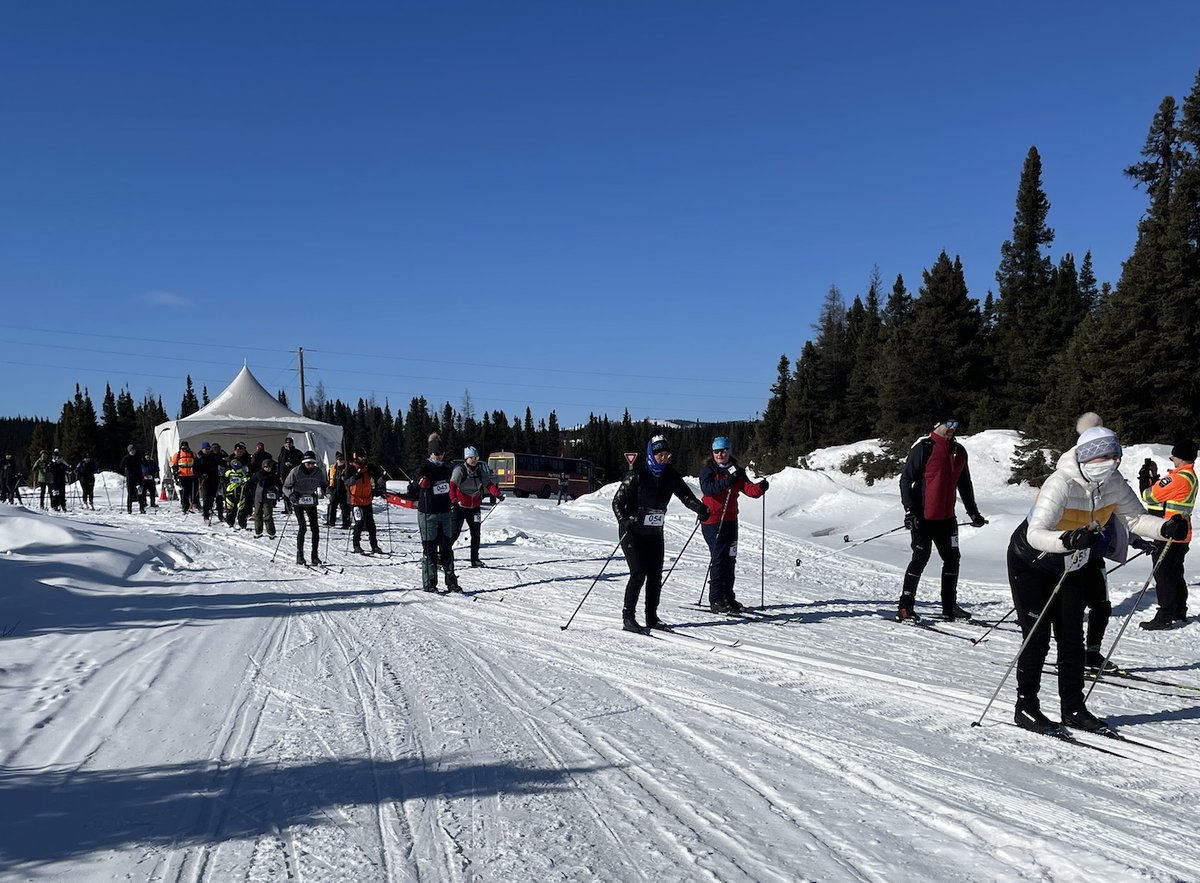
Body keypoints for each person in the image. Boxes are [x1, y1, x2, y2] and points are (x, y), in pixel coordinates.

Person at [1007, 424, 1181, 734]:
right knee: (1037, 637)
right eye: (1107, 457)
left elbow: (1135, 518)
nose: (1113, 463)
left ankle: (1073, 707)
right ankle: (1026, 707)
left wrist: (1165, 529)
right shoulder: (1060, 483)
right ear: (1088, 458)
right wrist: (1069, 539)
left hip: (1072, 564)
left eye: (1116, 457)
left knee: (1072, 639)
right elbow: (1036, 534)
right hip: (1032, 562)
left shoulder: (1113, 482)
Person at [612, 435, 712, 634]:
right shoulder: (637, 475)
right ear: (652, 455)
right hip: (632, 532)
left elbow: (685, 496)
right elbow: (617, 502)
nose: (664, 459)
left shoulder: (670, 475)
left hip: (654, 532)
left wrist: (700, 508)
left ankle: (651, 617)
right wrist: (624, 520)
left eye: (667, 455)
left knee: (656, 575)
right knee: (639, 572)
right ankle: (628, 617)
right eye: (660, 455)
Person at [897, 418, 987, 622]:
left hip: (947, 518)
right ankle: (905, 606)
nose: (953, 428)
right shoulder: (923, 448)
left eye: (956, 425)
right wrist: (910, 511)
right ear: (937, 424)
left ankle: (949, 606)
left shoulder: (959, 451)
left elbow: (964, 484)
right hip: (924, 517)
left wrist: (973, 513)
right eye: (949, 424)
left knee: (952, 559)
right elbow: (905, 480)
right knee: (921, 557)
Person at [699, 436, 768, 614]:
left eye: (723, 451)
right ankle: (716, 599)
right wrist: (727, 481)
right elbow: (708, 490)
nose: (720, 454)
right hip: (713, 520)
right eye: (716, 451)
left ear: (729, 451)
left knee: (730, 559)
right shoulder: (708, 470)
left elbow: (748, 490)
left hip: (730, 520)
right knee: (719, 559)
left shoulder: (736, 471)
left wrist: (760, 488)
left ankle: (729, 597)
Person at [1140, 439, 1197, 630]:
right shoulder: (1189, 476)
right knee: (1175, 572)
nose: (1172, 459)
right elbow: (1163, 500)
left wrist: (1144, 481)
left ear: (1181, 458)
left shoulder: (1178, 478)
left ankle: (1165, 614)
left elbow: (1149, 496)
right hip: (1182, 533)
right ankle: (1179, 610)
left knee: (1163, 574)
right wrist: (1155, 479)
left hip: (1169, 533)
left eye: (1174, 456)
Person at [409, 439, 460, 592]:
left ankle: (451, 582)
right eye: (436, 453)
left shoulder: (447, 469)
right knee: (430, 548)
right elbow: (412, 486)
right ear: (430, 453)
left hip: (444, 513)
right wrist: (420, 481)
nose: (439, 457)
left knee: (446, 548)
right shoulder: (424, 468)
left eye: (441, 453)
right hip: (428, 514)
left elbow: (453, 485)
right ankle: (430, 583)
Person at [450, 446, 503, 566]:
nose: (474, 460)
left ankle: (475, 559)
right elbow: (452, 486)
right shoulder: (460, 470)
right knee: (454, 532)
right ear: (466, 458)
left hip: (475, 507)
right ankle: (443, 555)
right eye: (472, 458)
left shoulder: (479, 470)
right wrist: (453, 499)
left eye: (476, 457)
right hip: (461, 506)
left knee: (476, 534)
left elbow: (488, 484)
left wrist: (497, 494)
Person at [284, 450, 326, 565]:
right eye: (308, 463)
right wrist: (291, 495)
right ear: (303, 463)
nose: (311, 466)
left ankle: (315, 556)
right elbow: (286, 487)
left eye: (313, 463)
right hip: (298, 501)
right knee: (302, 527)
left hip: (311, 501)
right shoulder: (295, 472)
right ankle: (300, 555)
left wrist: (327, 491)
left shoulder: (318, 472)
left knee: (315, 529)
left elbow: (324, 484)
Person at [345, 449, 384, 554]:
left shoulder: (369, 467)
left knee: (371, 523)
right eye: (361, 457)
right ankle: (356, 545)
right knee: (359, 522)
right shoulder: (352, 468)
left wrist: (380, 485)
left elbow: (378, 477)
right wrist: (356, 476)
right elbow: (347, 481)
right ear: (356, 457)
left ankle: (374, 545)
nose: (364, 459)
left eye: (364, 457)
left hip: (367, 499)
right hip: (355, 500)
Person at [248, 457, 283, 538]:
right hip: (258, 496)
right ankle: (258, 531)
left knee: (268, 514)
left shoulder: (274, 476)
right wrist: (252, 492)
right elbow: (250, 483)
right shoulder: (259, 474)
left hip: (268, 497)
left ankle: (271, 532)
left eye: (269, 467)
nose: (267, 469)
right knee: (257, 514)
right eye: (266, 467)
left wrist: (280, 492)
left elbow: (279, 485)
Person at [196, 442, 223, 524]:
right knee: (206, 497)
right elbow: (195, 470)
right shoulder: (199, 457)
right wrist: (201, 475)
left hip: (214, 479)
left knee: (213, 497)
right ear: (202, 449)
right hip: (205, 480)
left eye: (208, 449)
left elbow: (221, 462)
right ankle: (206, 515)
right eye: (206, 449)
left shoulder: (214, 456)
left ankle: (211, 509)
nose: (207, 451)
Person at [221, 459, 252, 529]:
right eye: (234, 462)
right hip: (230, 492)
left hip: (240, 492)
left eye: (238, 463)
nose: (236, 464)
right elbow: (224, 479)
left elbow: (246, 479)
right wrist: (224, 481)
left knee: (241, 507)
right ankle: (230, 522)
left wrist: (245, 481)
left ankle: (242, 523)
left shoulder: (242, 472)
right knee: (230, 507)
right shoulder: (228, 472)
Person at [277, 437, 304, 514]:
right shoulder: (282, 453)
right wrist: (279, 475)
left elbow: (301, 463)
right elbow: (279, 464)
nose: (288, 445)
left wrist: (292, 466)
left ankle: (298, 507)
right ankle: (288, 508)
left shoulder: (298, 453)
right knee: (286, 491)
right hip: (284, 475)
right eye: (287, 443)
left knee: (296, 491)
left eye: (290, 443)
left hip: (295, 475)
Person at [170, 441, 197, 514]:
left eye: (186, 447)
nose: (185, 449)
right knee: (185, 491)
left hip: (191, 475)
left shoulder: (192, 454)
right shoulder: (178, 454)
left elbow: (196, 463)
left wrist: (196, 471)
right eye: (183, 447)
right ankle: (185, 506)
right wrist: (175, 472)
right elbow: (173, 465)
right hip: (182, 475)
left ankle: (192, 505)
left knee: (191, 491)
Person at [326, 451, 351, 528]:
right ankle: (330, 522)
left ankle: (346, 523)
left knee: (345, 508)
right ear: (336, 460)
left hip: (344, 491)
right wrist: (329, 488)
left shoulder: (348, 468)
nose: (341, 460)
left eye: (342, 459)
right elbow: (328, 478)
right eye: (339, 459)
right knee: (332, 506)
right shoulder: (332, 468)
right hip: (334, 490)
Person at [119, 445, 146, 514]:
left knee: (140, 492)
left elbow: (145, 463)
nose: (132, 452)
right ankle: (129, 509)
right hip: (130, 478)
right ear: (129, 451)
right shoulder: (126, 458)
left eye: (133, 450)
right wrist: (124, 469)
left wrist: (144, 459)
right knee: (130, 493)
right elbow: (121, 466)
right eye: (131, 451)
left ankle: (142, 508)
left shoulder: (138, 456)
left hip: (138, 477)